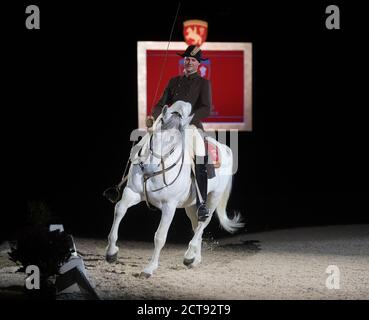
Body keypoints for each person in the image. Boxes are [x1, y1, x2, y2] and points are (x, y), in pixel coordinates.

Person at [146, 45, 212, 222]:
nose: (189, 62)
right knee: (142, 144)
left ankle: (201, 204)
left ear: (198, 64)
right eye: (187, 59)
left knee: (199, 154)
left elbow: (206, 108)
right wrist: (156, 116)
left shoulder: (203, 83)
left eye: (192, 60)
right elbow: (161, 103)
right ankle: (125, 185)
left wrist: (189, 119)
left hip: (190, 126)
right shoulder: (173, 81)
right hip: (168, 125)